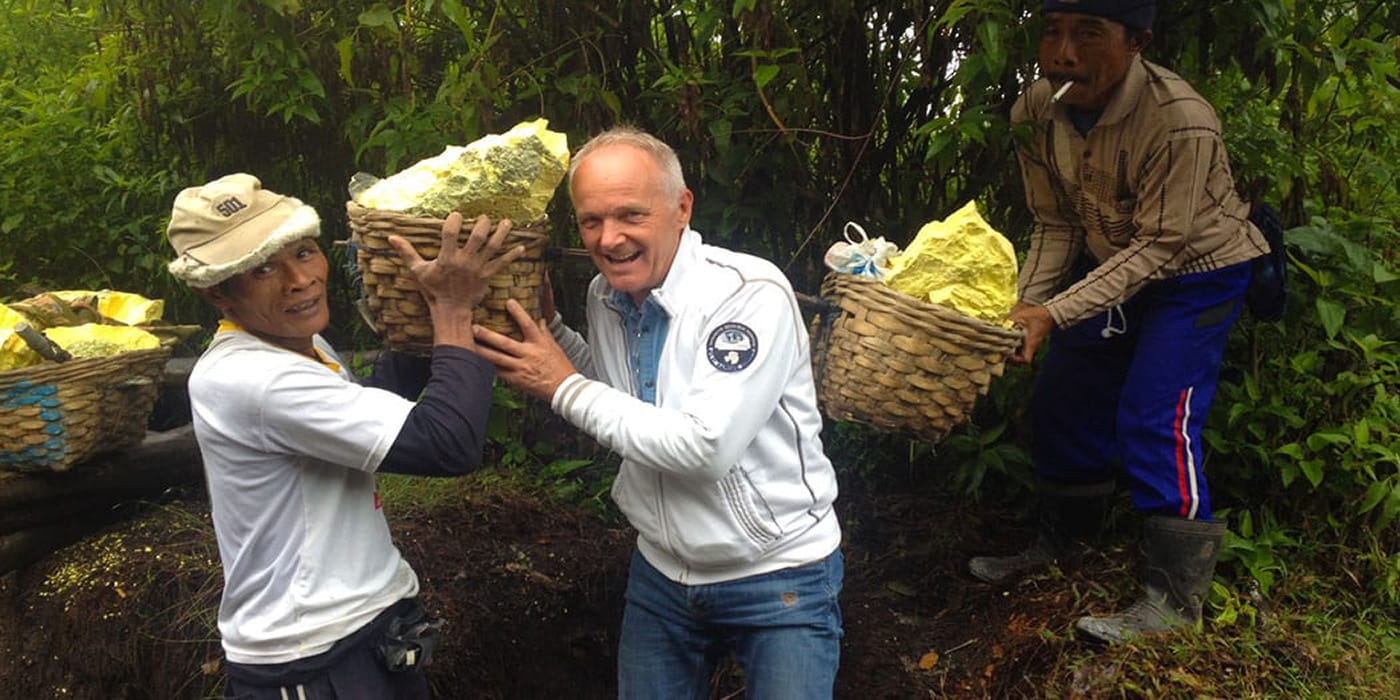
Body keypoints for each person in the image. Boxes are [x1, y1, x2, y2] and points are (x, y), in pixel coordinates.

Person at [471, 128, 844, 698]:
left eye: (630, 215)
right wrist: (553, 335)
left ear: (682, 208)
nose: (610, 238)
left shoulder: (748, 296)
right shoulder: (606, 294)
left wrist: (561, 385)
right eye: (591, 221)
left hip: (777, 573)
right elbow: (623, 400)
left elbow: (704, 447)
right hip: (662, 573)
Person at [966, 0, 1272, 645]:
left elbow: (1163, 245)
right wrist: (1020, 309)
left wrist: (1053, 311)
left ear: (1136, 42)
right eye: (1052, 32)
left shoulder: (1180, 120)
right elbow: (1056, 223)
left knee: (1156, 413)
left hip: (1197, 272)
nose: (1063, 53)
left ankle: (1174, 600)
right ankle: (1064, 544)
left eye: (1088, 35)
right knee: (1063, 397)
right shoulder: (1037, 109)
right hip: (1111, 263)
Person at [165, 173, 522, 698]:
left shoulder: (300, 346)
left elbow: (365, 412)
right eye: (262, 267)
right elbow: (447, 445)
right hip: (313, 653)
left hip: (371, 626)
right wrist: (453, 310)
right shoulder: (251, 378)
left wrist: (422, 314)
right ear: (217, 291)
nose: (299, 279)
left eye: (305, 253)